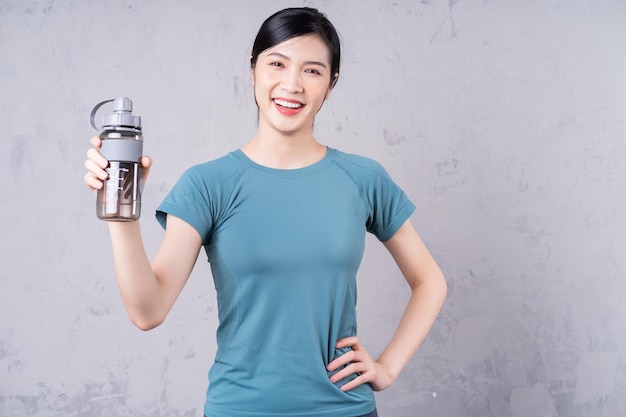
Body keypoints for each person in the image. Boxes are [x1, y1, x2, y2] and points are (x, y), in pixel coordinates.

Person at [84, 7, 447, 417]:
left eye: (312, 71)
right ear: (253, 69)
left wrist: (387, 367)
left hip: (345, 409)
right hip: (240, 408)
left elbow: (430, 281)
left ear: (331, 84)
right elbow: (148, 312)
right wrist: (121, 218)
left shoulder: (363, 178)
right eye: (277, 63)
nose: (291, 84)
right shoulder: (208, 184)